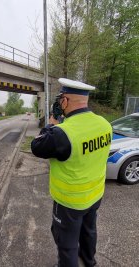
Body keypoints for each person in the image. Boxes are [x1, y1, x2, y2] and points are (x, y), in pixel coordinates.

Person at [31, 78, 112, 267]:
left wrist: (51, 123)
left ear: (65, 101)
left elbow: (37, 146)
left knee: (66, 244)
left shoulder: (61, 133)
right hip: (95, 195)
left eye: (61, 100)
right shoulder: (105, 124)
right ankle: (89, 262)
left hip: (70, 202)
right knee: (89, 231)